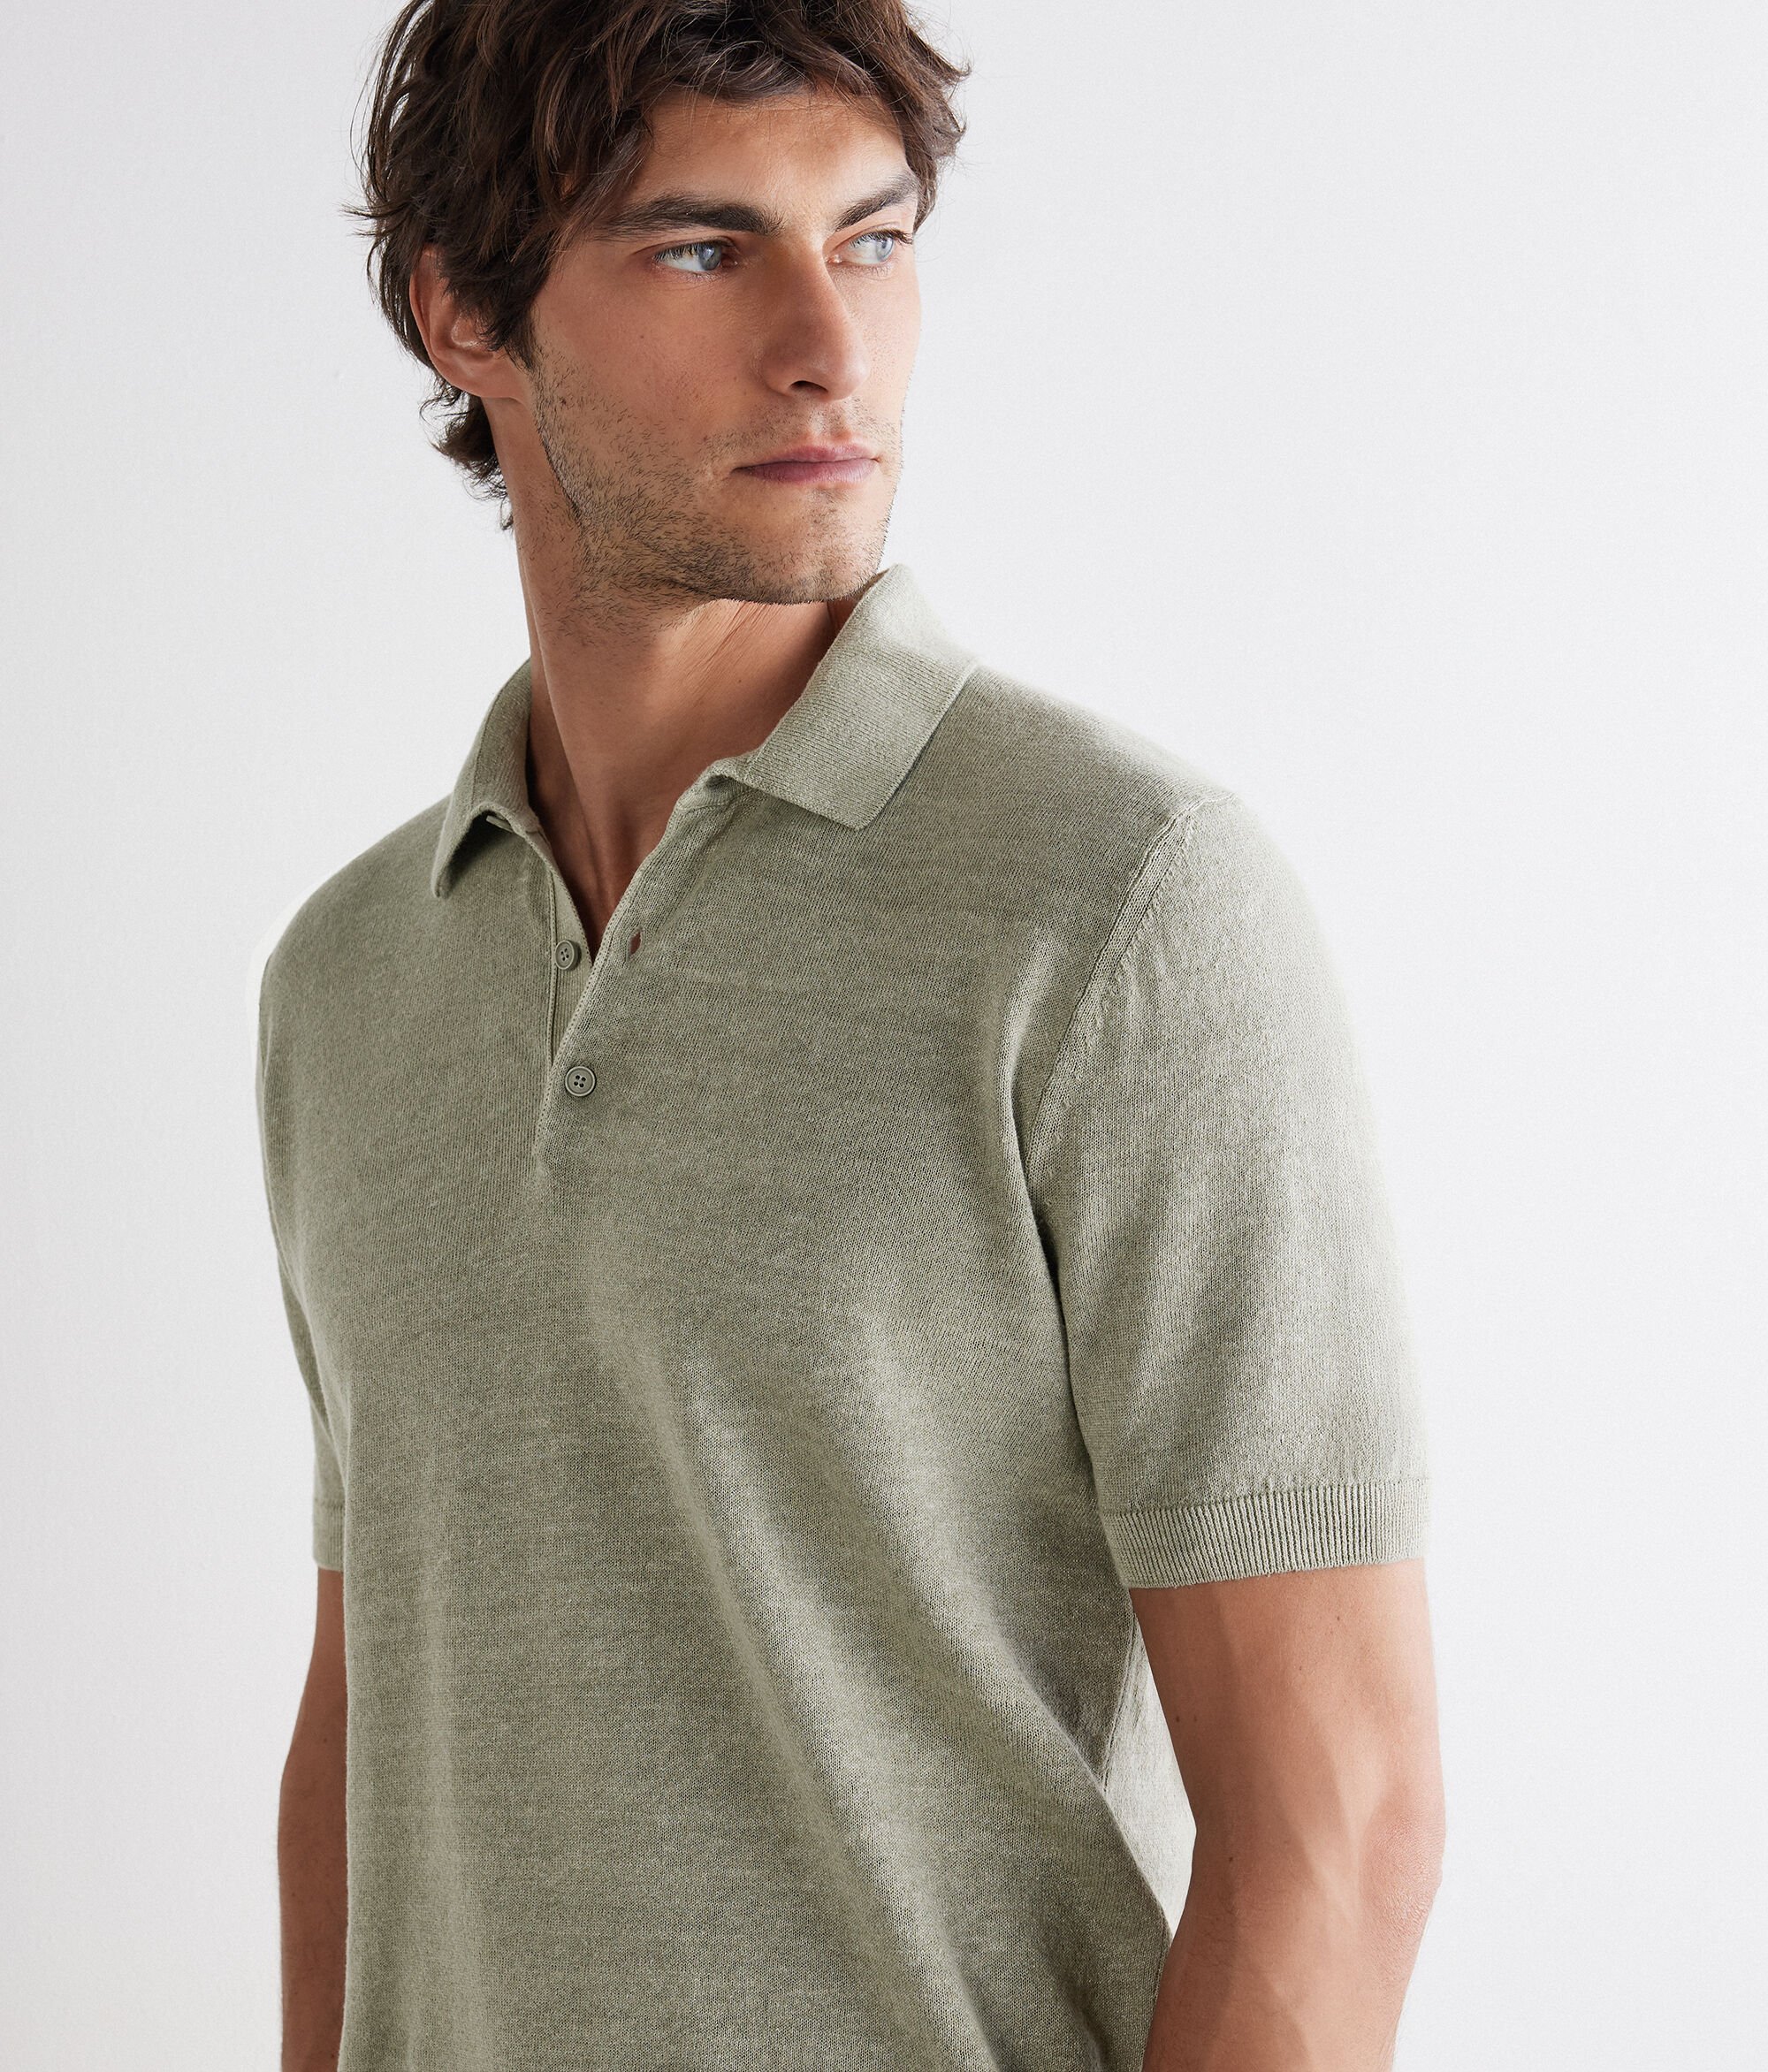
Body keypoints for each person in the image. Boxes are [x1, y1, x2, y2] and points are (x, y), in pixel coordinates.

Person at [254, 4, 1444, 2068]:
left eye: (874, 241)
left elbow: (1334, 1825)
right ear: (464, 311)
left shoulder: (1120, 902)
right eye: (704, 248)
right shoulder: (351, 979)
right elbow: (372, 1716)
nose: (832, 346)